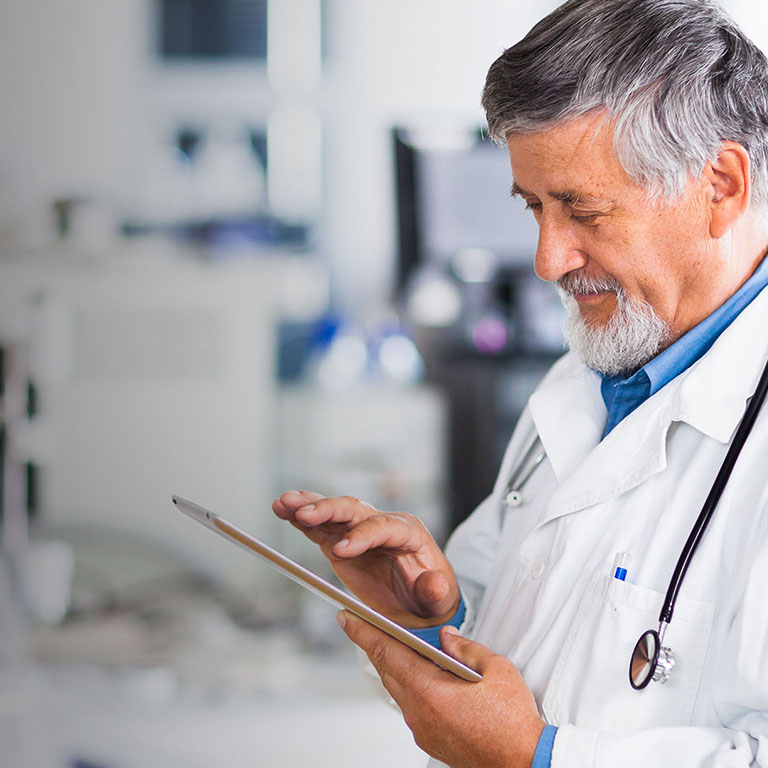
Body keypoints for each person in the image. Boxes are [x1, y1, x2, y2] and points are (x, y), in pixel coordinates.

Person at [273, 1, 768, 766]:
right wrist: (436, 620)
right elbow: (519, 646)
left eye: (584, 210)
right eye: (534, 207)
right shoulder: (590, 374)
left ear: (722, 185)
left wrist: (538, 758)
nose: (547, 261)